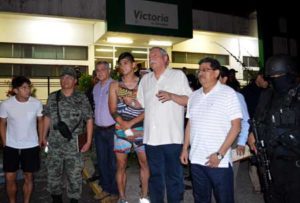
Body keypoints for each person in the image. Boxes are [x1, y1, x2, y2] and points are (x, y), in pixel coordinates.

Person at [180, 57, 242, 203]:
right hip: (196, 159)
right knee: (200, 199)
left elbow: (236, 126)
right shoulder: (194, 96)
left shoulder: (228, 93)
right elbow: (190, 123)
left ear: (216, 73)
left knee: (224, 199)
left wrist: (220, 154)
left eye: (205, 70)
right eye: (199, 70)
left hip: (218, 162)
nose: (201, 73)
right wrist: (184, 148)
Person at [137, 47, 192, 203]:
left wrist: (171, 96)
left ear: (165, 58)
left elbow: (190, 100)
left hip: (172, 138)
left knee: (174, 177)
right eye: (149, 55)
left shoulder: (177, 75)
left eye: (155, 55)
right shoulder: (145, 80)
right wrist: (128, 100)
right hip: (151, 139)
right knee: (155, 177)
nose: (151, 58)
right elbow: (141, 104)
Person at [248, 54, 300, 203]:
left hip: (295, 164)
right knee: (272, 197)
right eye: (273, 76)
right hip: (270, 161)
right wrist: (252, 134)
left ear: (290, 74)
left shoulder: (297, 96)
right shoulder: (267, 95)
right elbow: (258, 118)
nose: (276, 79)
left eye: (280, 75)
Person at [41, 67, 93, 203]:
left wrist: (88, 141)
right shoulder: (52, 97)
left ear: (75, 81)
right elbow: (47, 117)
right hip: (54, 143)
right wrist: (43, 136)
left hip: (75, 144)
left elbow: (89, 119)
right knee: (53, 173)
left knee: (74, 175)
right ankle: (56, 199)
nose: (65, 80)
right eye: (63, 77)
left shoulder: (81, 97)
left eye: (69, 77)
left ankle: (74, 199)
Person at [109, 52, 150, 203]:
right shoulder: (114, 85)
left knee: (144, 164)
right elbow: (113, 110)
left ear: (134, 65)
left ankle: (144, 195)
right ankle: (122, 198)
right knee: (121, 165)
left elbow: (149, 109)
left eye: (126, 62)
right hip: (121, 130)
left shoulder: (145, 83)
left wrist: (130, 125)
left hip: (141, 130)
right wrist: (125, 126)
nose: (123, 66)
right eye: (120, 64)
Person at [0, 76, 43, 203]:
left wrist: (40, 139)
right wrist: (4, 142)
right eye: (24, 88)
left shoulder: (36, 103)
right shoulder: (6, 104)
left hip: (31, 145)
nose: (28, 90)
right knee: (9, 177)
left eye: (28, 87)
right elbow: (2, 123)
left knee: (29, 177)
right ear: (15, 90)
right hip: (11, 146)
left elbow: (40, 121)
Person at [219, 66, 250, 189]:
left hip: (232, 140)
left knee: (229, 177)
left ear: (224, 79)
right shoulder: (205, 95)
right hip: (213, 139)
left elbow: (245, 121)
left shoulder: (236, 96)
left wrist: (241, 142)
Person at [92, 61, 118, 201]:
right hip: (99, 130)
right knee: (102, 161)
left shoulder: (116, 85)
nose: (100, 72)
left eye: (103, 69)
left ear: (109, 71)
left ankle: (114, 191)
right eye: (97, 70)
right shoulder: (95, 88)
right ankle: (106, 188)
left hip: (113, 129)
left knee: (113, 162)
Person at [241, 71, 268, 193]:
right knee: (253, 158)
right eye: (265, 80)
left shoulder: (267, 91)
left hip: (263, 128)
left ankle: (263, 184)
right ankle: (257, 186)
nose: (267, 83)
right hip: (250, 128)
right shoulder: (246, 92)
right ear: (259, 77)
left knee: (261, 157)